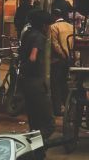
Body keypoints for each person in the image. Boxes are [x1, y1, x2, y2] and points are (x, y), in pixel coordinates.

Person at [19, 9, 56, 139]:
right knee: (49, 124)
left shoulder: (27, 34)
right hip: (36, 83)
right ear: (43, 25)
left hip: (26, 82)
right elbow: (33, 57)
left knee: (34, 122)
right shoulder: (39, 37)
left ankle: (36, 152)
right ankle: (36, 146)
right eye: (48, 25)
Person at [49, 8, 74, 116]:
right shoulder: (71, 26)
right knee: (64, 84)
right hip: (69, 59)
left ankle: (57, 109)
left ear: (54, 16)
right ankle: (69, 107)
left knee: (56, 85)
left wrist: (62, 54)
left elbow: (54, 44)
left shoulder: (53, 27)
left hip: (57, 60)